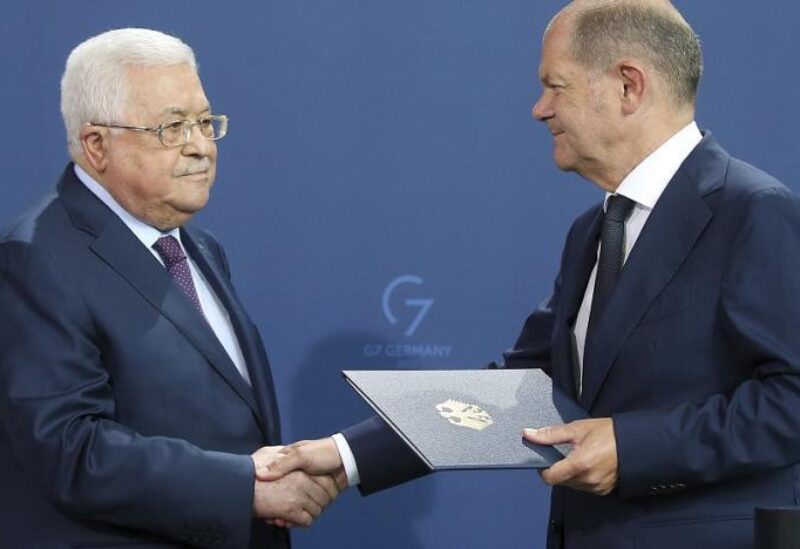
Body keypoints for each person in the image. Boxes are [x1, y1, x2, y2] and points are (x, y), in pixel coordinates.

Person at [263, 1, 800, 547]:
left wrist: (636, 448)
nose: (539, 109)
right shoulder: (594, 229)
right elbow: (522, 390)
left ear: (628, 86)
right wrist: (347, 456)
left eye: (556, 85)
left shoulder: (755, 212)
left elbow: (793, 400)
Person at [0, 28, 341, 548]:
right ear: (96, 145)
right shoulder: (35, 256)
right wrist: (243, 486)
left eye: (205, 122)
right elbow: (70, 447)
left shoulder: (197, 248)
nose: (201, 147)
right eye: (173, 127)